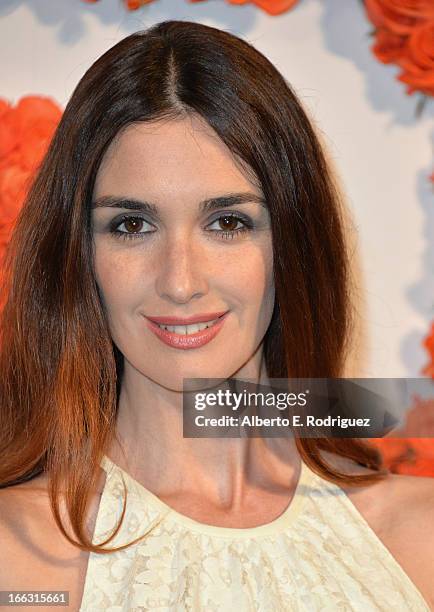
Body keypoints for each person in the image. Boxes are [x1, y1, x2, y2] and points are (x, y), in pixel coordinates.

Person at [0, 19, 433, 611]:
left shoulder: (418, 539)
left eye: (228, 223)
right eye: (132, 225)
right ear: (79, 254)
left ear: (293, 245)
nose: (180, 281)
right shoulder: (16, 557)